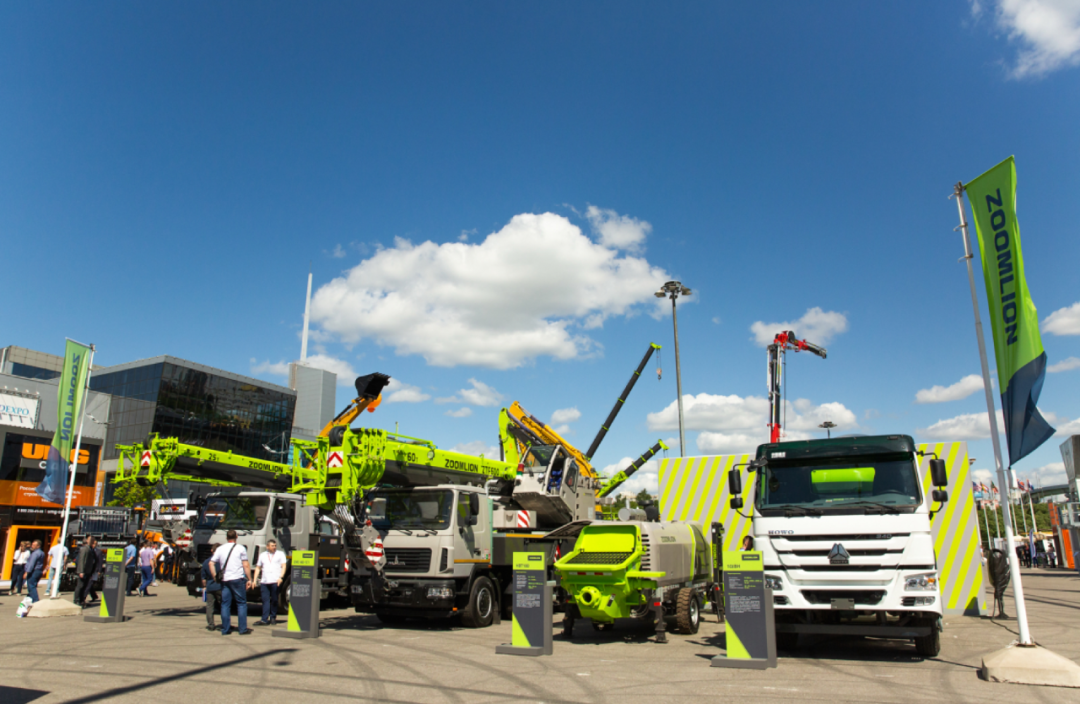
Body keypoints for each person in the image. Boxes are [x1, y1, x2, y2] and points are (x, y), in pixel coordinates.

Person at [209, 530, 252, 636]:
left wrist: (215, 576)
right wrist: (249, 579)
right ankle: (242, 629)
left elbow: (211, 563)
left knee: (225, 604)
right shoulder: (241, 548)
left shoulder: (220, 549)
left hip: (225, 579)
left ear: (226, 537)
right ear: (236, 536)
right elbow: (246, 565)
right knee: (241, 603)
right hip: (237, 579)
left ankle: (225, 629)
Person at [253, 539, 287, 625]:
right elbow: (258, 567)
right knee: (265, 600)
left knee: (274, 600)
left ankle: (273, 617)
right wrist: (254, 580)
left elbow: (284, 566)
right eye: (272, 546)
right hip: (265, 581)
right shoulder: (262, 555)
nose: (274, 547)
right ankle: (264, 619)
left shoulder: (280, 554)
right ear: (267, 547)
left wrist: (281, 577)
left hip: (275, 581)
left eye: (275, 546)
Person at [201, 543, 223, 631]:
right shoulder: (222, 561)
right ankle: (225, 623)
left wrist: (204, 586)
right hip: (220, 586)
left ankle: (211, 624)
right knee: (223, 606)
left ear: (211, 551)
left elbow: (203, 578)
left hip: (210, 587)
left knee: (210, 606)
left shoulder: (206, 562)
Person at [74, 537, 96, 606]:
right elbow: (81, 560)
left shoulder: (91, 549)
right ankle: (76, 600)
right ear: (87, 541)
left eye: (92, 540)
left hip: (88, 571)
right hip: (84, 571)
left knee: (84, 586)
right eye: (90, 540)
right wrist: (81, 571)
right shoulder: (84, 549)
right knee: (80, 585)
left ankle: (81, 600)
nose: (92, 541)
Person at [85, 537, 104, 604]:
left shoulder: (99, 552)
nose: (93, 545)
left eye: (94, 544)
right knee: (89, 584)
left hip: (95, 570)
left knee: (89, 584)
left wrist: (99, 571)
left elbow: (100, 562)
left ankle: (83, 598)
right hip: (88, 570)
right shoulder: (89, 550)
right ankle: (94, 596)